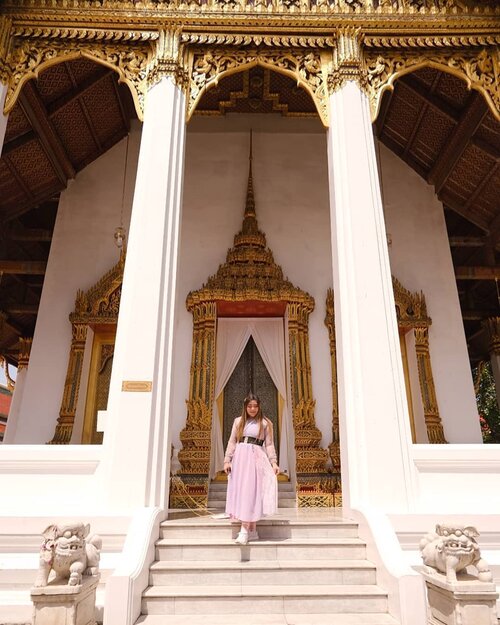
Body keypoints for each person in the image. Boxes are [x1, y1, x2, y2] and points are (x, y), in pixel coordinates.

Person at [223, 393, 280, 545]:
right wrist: (227, 460)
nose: (253, 409)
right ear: (245, 407)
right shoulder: (238, 421)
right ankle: (252, 530)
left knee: (251, 492)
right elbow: (232, 442)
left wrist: (273, 462)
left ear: (259, 406)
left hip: (256, 458)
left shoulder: (265, 423)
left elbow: (269, 444)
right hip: (240, 459)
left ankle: (244, 530)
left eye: (255, 406)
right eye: (250, 406)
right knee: (243, 491)